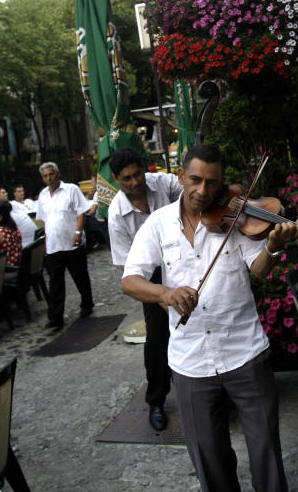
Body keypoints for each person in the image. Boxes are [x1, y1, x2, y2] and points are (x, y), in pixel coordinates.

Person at [121, 143, 298, 492]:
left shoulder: (237, 220)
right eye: (195, 180)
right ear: (180, 177)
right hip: (190, 362)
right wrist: (165, 293)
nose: (203, 191)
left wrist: (273, 247)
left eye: (213, 183)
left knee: (266, 452)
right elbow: (130, 280)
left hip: (245, 353)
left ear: (222, 184)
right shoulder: (158, 225)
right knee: (209, 459)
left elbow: (260, 270)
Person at [108, 147, 182, 431]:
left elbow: (191, 190)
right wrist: (159, 294)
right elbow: (130, 270)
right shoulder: (116, 215)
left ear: (145, 168)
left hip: (183, 257)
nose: (135, 182)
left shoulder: (163, 183)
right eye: (126, 178)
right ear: (116, 179)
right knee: (157, 339)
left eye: (138, 174)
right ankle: (156, 400)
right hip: (150, 275)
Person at [37, 161, 95, 329]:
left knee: (80, 276)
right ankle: (55, 317)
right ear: (42, 178)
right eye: (45, 176)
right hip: (54, 245)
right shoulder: (43, 195)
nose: (49, 178)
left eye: (51, 174)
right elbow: (44, 220)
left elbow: (81, 212)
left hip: (72, 242)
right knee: (55, 282)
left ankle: (87, 304)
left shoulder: (71, 189)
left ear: (57, 173)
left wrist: (78, 233)